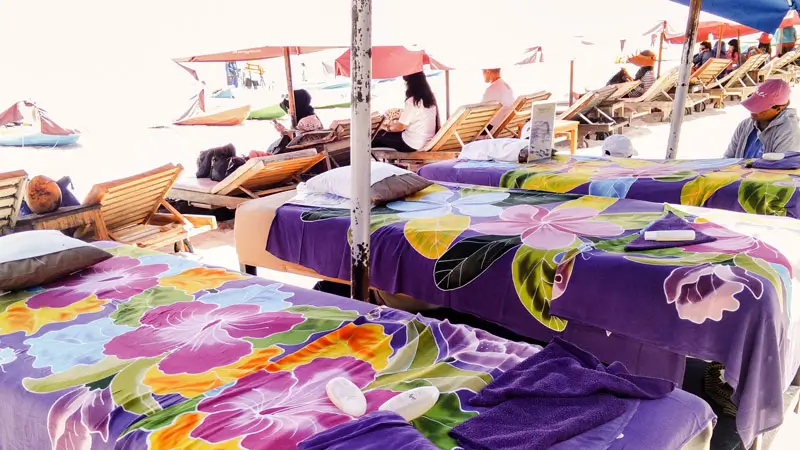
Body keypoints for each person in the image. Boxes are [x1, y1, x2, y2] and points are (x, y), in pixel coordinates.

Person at [724, 79, 800, 158]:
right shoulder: (745, 125)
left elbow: (781, 167)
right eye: (753, 103)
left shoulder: (789, 132)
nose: (752, 109)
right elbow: (727, 159)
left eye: (759, 107)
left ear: (778, 109)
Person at [372, 71, 439, 152]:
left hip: (412, 144)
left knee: (377, 136)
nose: (405, 84)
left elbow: (400, 127)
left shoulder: (412, 101)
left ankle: (356, 158)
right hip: (427, 141)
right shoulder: (431, 99)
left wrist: (386, 127)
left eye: (406, 82)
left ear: (410, 84)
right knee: (384, 137)